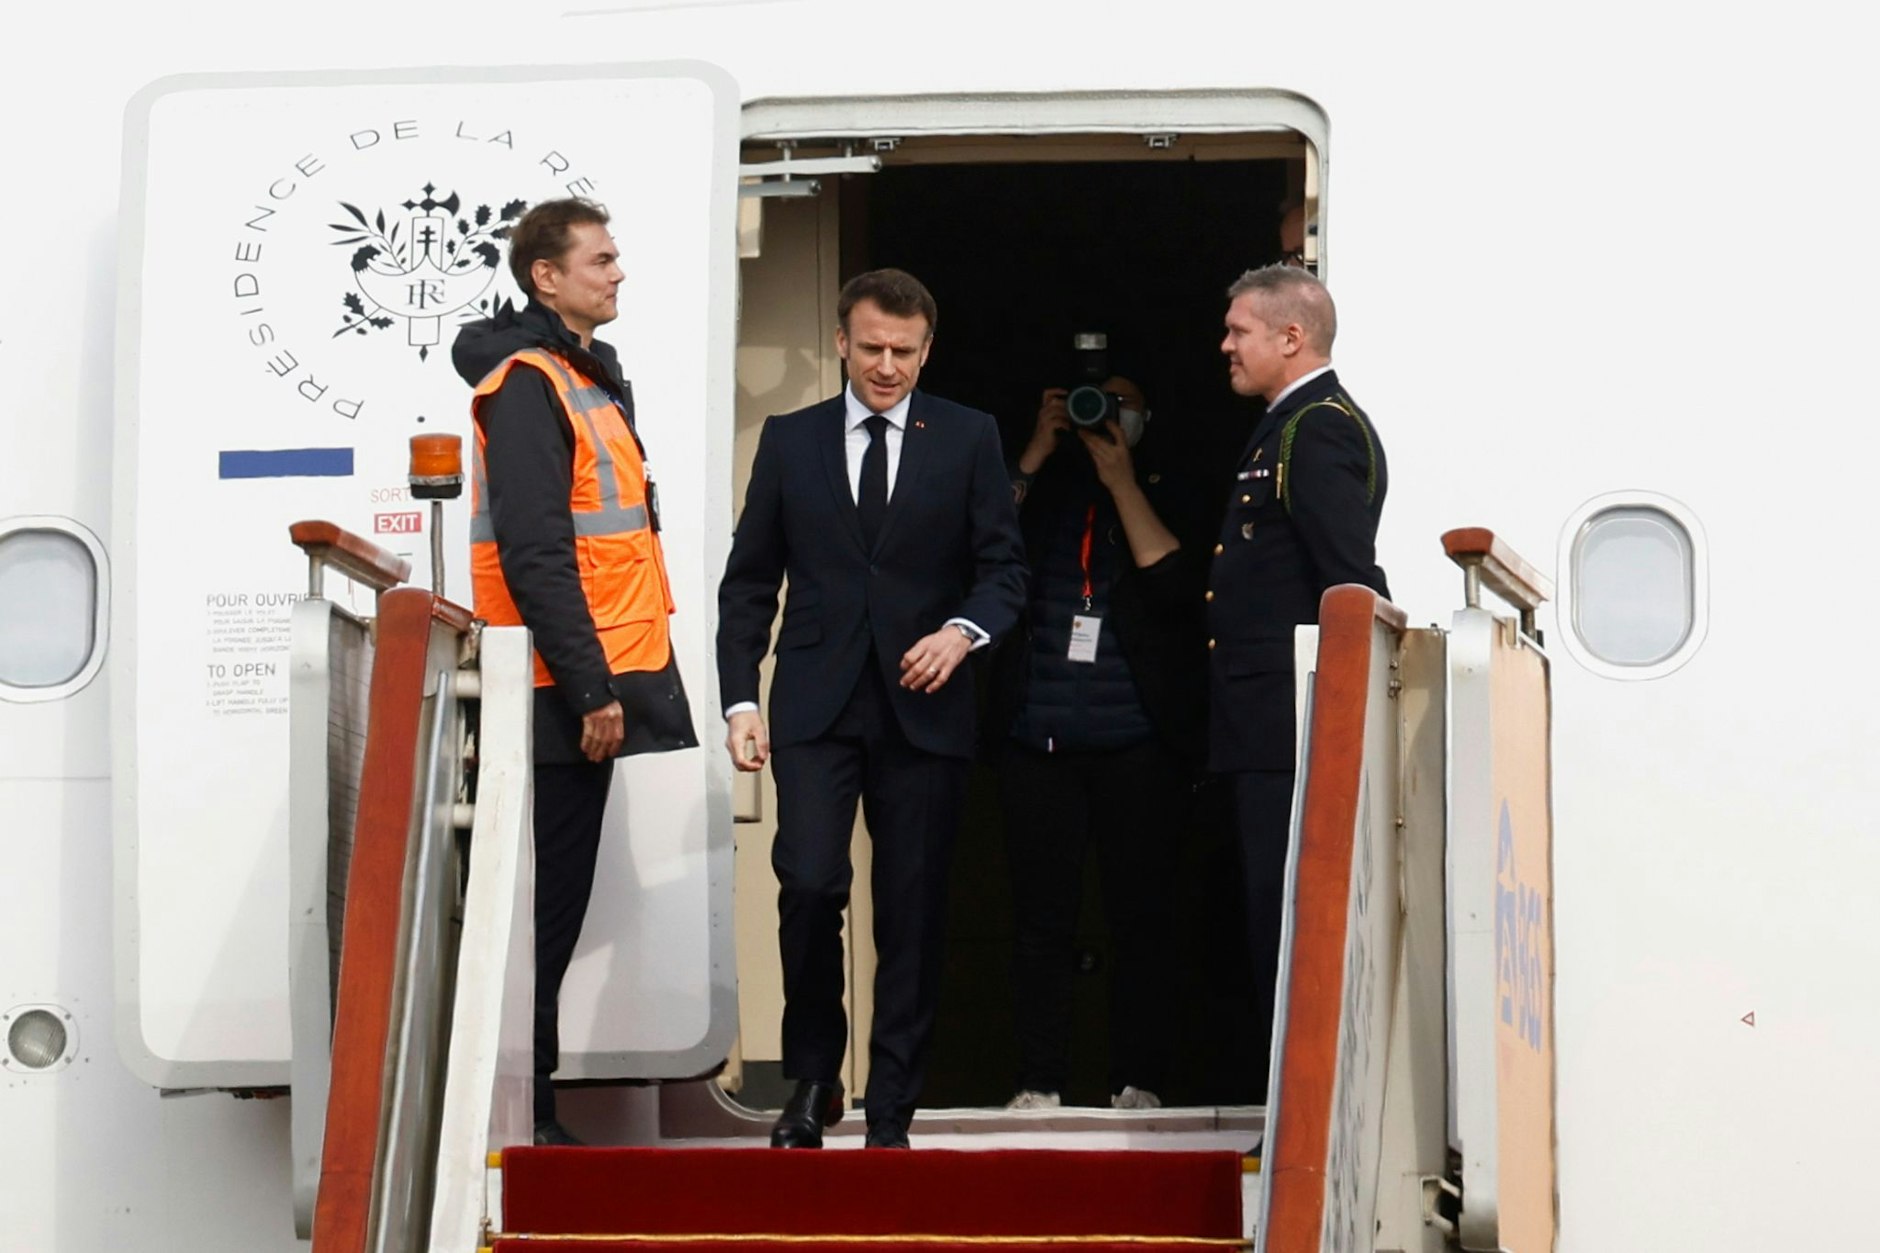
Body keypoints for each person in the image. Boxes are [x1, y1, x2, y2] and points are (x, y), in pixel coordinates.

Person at [716, 268, 1027, 1149]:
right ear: (843, 342)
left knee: (913, 907)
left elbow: (1005, 571)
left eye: (905, 351)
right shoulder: (790, 439)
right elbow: (748, 586)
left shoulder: (969, 438)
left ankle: (892, 1105)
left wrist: (962, 632)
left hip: (926, 708)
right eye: (872, 348)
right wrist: (742, 697)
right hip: (813, 705)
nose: (887, 366)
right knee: (809, 884)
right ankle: (815, 1078)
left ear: (927, 350)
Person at [452, 197, 698, 1147]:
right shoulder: (529, 385)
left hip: (578, 682)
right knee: (540, 913)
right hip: (559, 693)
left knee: (553, 903)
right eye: (600, 258)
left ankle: (533, 1105)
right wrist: (591, 687)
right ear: (544, 276)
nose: (618, 271)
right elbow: (537, 551)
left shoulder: (582, 374)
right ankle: (528, 1110)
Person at [988, 373, 1208, 1113]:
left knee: (1140, 916)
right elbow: (977, 548)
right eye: (1090, 401)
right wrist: (1035, 453)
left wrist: (1120, 480)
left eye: (1120, 403)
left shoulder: (1165, 483)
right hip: (1035, 738)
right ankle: (1038, 1079)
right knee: (1039, 923)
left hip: (1137, 743)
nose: (1101, 416)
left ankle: (1138, 1077)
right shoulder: (1042, 486)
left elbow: (1178, 585)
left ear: (1147, 413)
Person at [1208, 264, 1388, 1102]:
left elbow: (1350, 583)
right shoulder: (1290, 423)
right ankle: (1280, 1106)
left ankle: (1297, 1113)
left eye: (1239, 330)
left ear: (1292, 336)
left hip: (1291, 730)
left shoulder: (1314, 428)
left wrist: (1344, 726)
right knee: (1259, 924)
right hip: (1263, 726)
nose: (1226, 345)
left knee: (1284, 929)